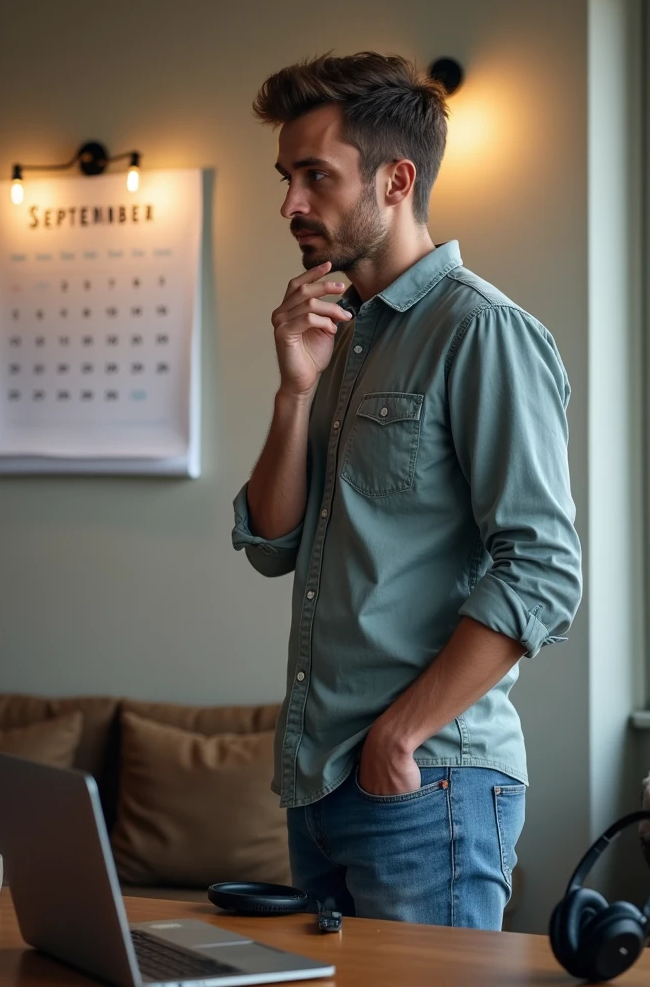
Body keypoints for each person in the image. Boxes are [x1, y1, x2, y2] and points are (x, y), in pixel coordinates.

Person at [232, 51, 582, 930]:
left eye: (316, 176)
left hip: (426, 785)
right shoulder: (339, 335)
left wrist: (402, 735)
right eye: (286, 178)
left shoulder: (483, 331)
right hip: (319, 785)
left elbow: (542, 569)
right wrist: (293, 391)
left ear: (397, 179)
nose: (290, 205)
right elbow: (275, 546)